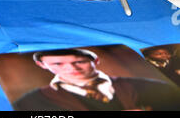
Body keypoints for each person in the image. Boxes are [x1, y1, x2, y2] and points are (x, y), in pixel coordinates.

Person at [13, 48, 180, 111]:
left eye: (80, 61)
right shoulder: (30, 103)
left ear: (96, 61)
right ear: (42, 65)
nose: (72, 68)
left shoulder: (154, 88)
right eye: (58, 63)